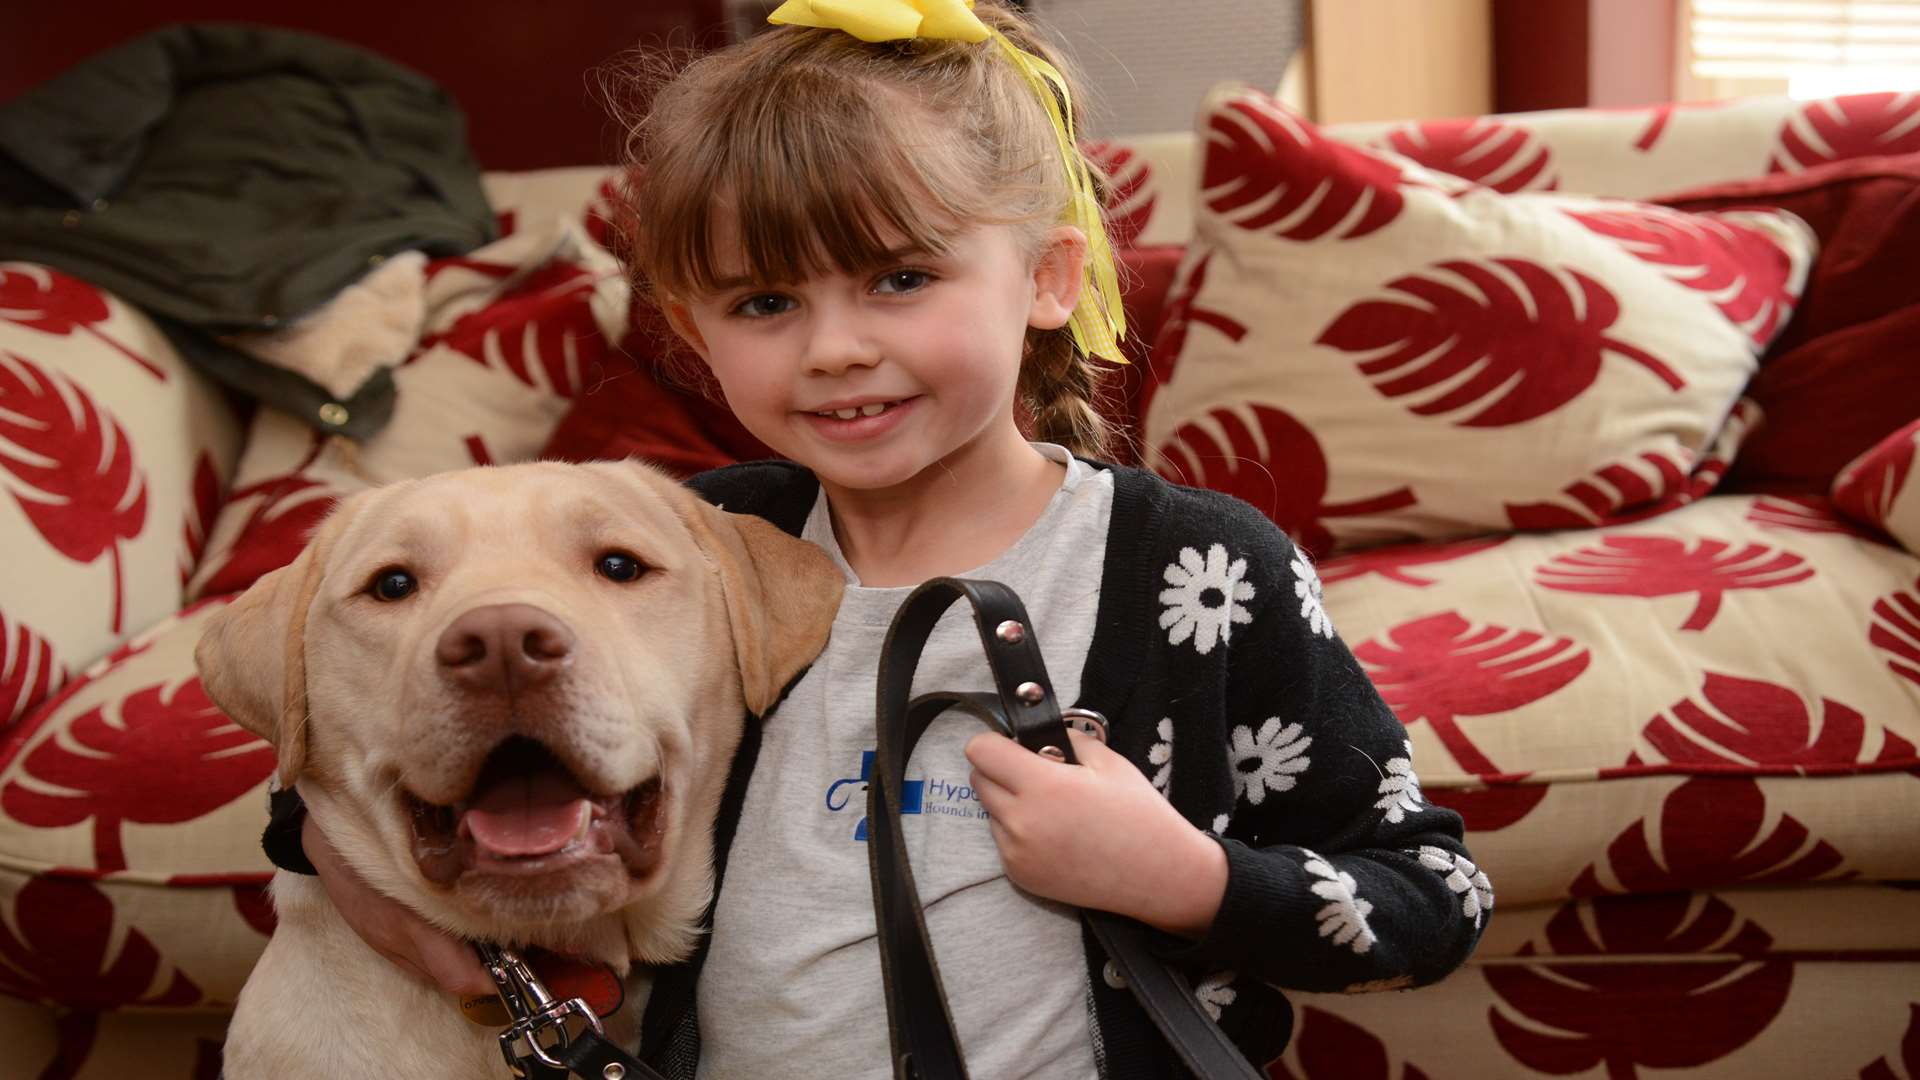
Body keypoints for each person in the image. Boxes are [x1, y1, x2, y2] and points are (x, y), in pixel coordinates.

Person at [266, 1, 1491, 1074]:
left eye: (900, 279)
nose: (836, 346)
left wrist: (1183, 879)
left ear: (1050, 277)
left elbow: (1432, 901)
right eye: (766, 302)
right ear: (696, 332)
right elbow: (426, 756)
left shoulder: (1198, 573)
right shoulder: (706, 549)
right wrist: (340, 855)